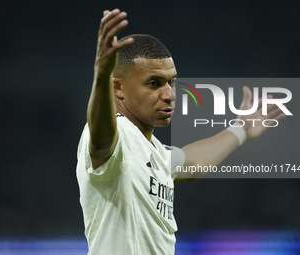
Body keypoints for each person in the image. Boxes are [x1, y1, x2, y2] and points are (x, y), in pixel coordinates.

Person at [76, 9, 286, 255]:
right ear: (118, 87)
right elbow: (101, 141)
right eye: (154, 83)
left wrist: (240, 131)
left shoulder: (152, 150)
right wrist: (101, 76)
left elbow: (192, 162)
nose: (169, 95)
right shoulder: (118, 135)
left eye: (171, 82)